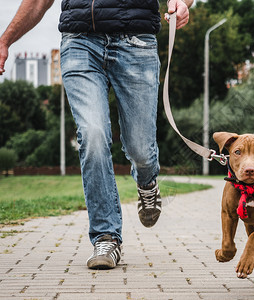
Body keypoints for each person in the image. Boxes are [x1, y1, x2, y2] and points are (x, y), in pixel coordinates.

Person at [0, 0, 192, 270]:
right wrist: (5, 39)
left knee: (140, 148)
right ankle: (106, 236)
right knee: (92, 134)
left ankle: (147, 183)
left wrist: (183, 3)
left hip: (136, 41)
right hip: (80, 43)